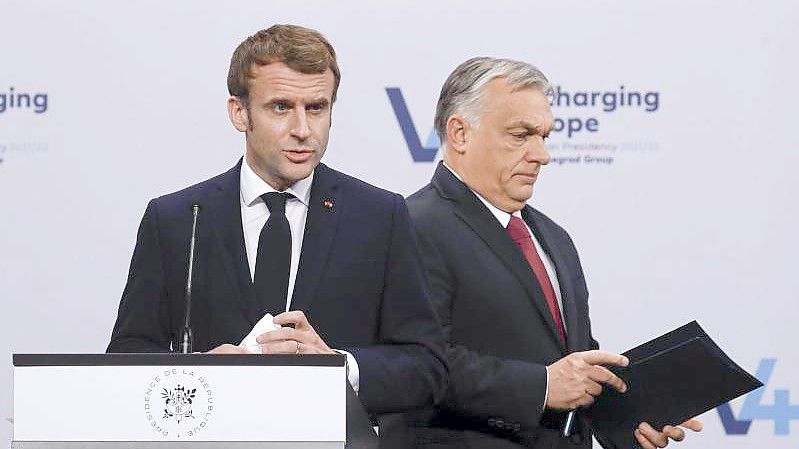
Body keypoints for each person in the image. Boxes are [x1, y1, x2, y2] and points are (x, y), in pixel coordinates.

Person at [107, 24, 447, 423]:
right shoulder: (177, 219)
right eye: (281, 107)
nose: (303, 131)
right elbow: (127, 355)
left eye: (317, 108)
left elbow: (427, 367)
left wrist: (338, 366)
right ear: (240, 112)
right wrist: (195, 370)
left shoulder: (379, 215)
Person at [405, 57, 701, 449]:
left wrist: (629, 423)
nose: (542, 155)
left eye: (544, 136)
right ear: (459, 133)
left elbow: (574, 365)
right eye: (521, 134)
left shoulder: (552, 237)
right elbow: (412, 366)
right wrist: (542, 386)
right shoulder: (411, 226)